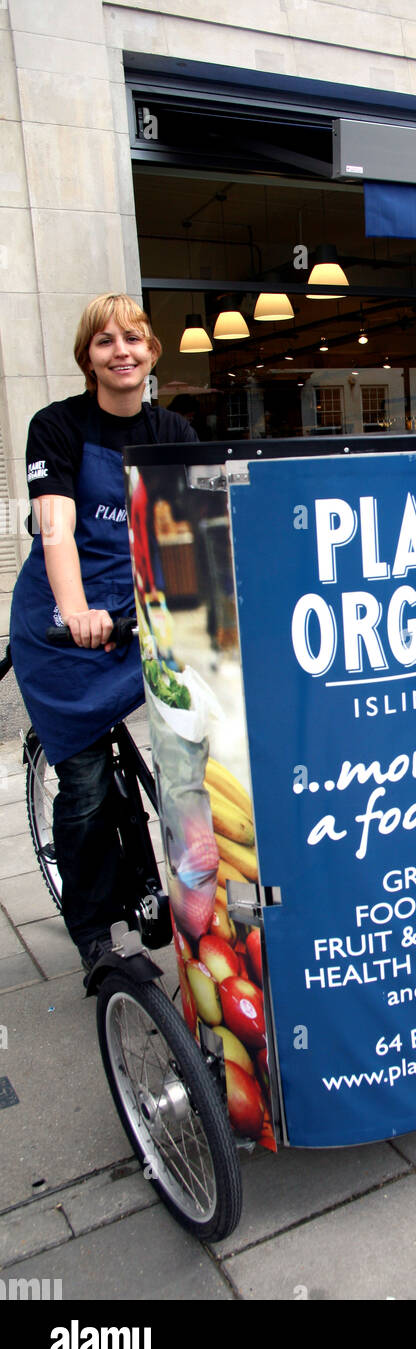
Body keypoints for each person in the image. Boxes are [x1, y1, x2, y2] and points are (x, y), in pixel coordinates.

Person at [9, 293, 197, 974]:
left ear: (151, 352)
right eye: (106, 340)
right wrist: (78, 610)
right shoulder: (57, 426)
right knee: (86, 787)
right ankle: (92, 933)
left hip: (141, 611)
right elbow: (54, 529)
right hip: (67, 629)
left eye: (135, 338)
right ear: (87, 356)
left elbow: (193, 526)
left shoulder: (172, 431)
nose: (122, 350)